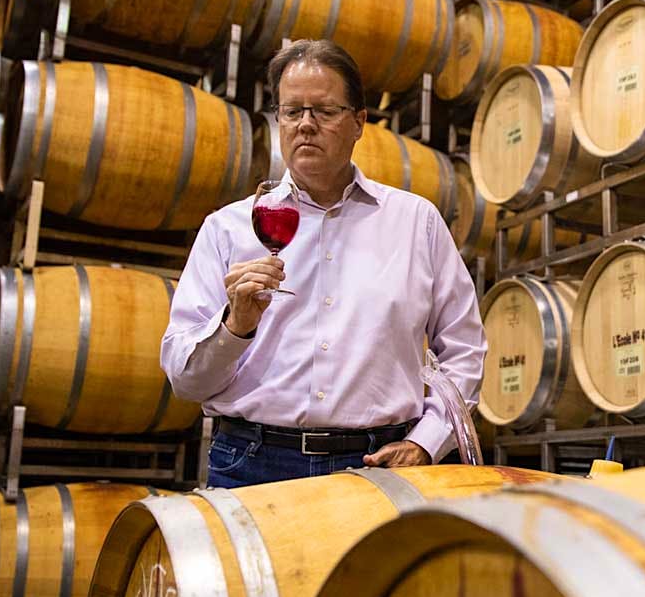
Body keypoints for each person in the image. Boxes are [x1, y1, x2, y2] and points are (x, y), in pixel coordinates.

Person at [161, 39, 485, 485]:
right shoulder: (228, 228)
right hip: (253, 464)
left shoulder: (416, 222)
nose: (305, 125)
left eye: (324, 111)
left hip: (378, 467)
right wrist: (235, 326)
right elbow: (186, 383)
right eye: (292, 112)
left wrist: (427, 440)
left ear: (359, 122)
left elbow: (464, 350)